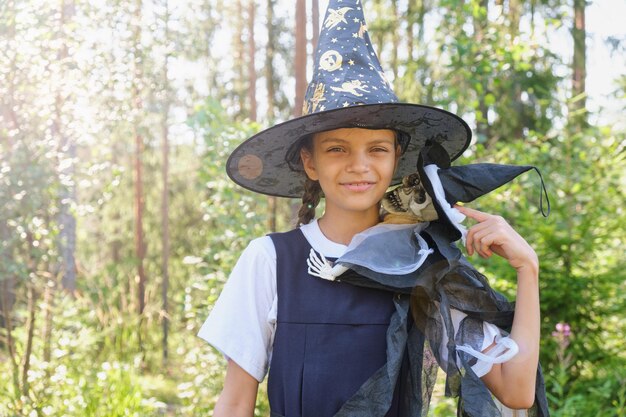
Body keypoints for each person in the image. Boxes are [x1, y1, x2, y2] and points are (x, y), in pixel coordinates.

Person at [198, 1, 548, 416]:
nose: (359, 165)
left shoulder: (422, 265)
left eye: (377, 149)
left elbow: (516, 389)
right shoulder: (272, 261)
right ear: (310, 162)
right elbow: (236, 402)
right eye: (337, 149)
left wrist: (528, 269)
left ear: (396, 158)